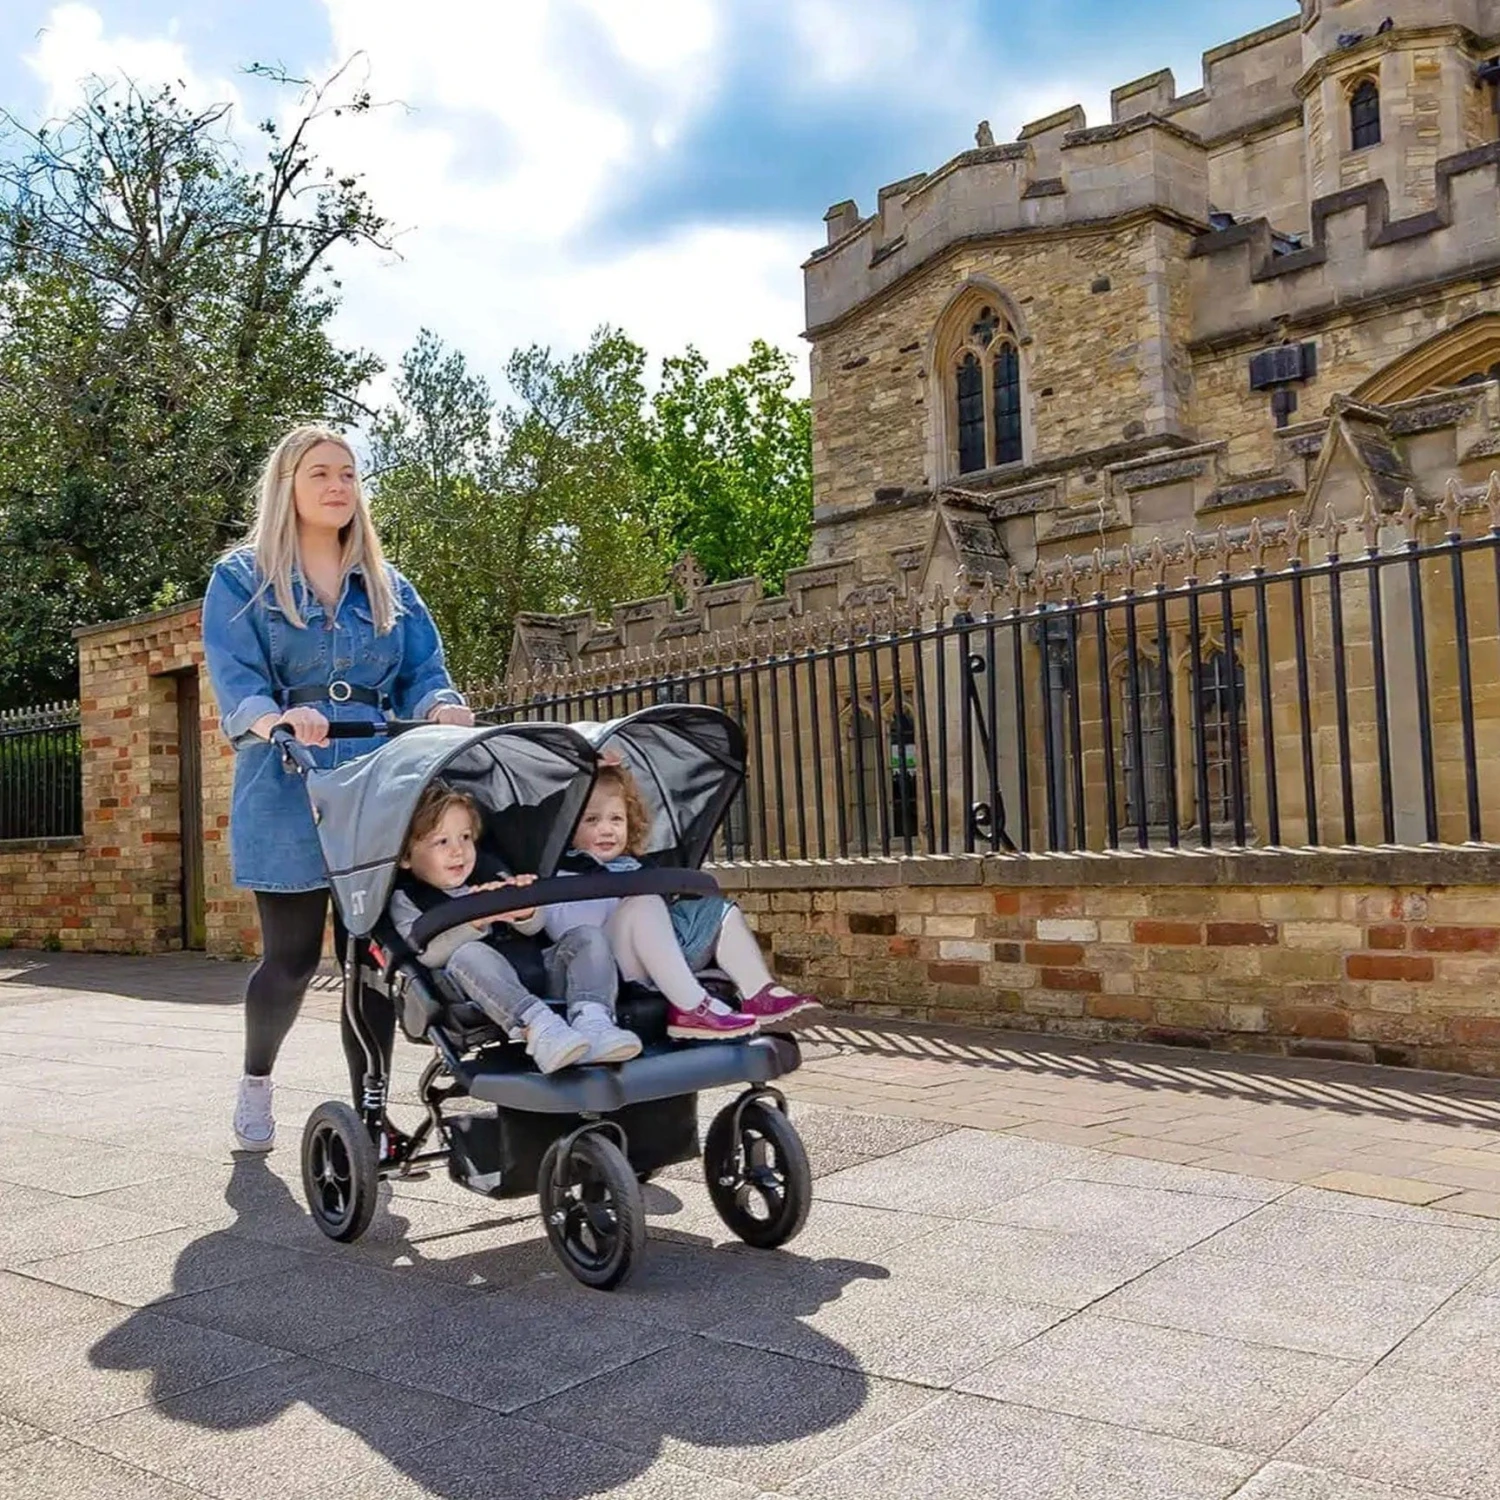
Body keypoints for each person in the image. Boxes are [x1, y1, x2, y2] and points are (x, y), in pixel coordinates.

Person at [201, 424, 473, 1153]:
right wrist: (276, 717)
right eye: (320, 473)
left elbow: (423, 671)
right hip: (287, 780)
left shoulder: (389, 585)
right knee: (291, 961)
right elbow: (237, 677)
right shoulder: (242, 578)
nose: (337, 486)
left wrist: (440, 705)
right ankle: (257, 1081)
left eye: (348, 474)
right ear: (287, 486)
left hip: (376, 783)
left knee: (370, 959)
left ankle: (371, 1115)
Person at [543, 764, 821, 1040]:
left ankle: (759, 992)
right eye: (592, 820)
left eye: (616, 819)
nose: (607, 830)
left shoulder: (636, 867)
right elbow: (573, 933)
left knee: (718, 911)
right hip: (609, 968)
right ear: (568, 826)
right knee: (643, 904)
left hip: (665, 955)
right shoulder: (563, 874)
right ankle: (692, 1007)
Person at [387, 782, 640, 1073]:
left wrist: (524, 910)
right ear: (406, 856)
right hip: (478, 993)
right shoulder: (407, 899)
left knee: (587, 937)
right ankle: (538, 1028)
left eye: (465, 837)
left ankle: (593, 1020)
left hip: (535, 971)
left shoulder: (490, 872)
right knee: (469, 952)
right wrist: (477, 918)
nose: (458, 851)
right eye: (441, 842)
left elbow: (534, 929)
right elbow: (428, 953)